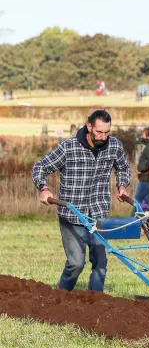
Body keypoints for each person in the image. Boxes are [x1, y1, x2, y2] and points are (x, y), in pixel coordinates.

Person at [33, 109, 131, 293]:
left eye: (107, 132)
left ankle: (96, 300)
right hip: (72, 214)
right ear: (89, 126)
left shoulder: (114, 146)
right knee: (76, 264)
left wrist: (122, 185)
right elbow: (41, 167)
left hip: (99, 213)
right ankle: (61, 295)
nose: (103, 136)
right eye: (99, 132)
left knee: (100, 263)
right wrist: (43, 189)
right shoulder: (68, 147)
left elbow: (123, 167)